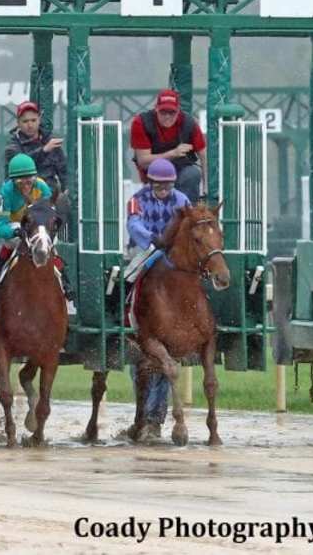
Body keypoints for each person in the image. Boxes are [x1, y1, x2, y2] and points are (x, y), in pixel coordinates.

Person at [122, 157, 191, 435]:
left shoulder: (182, 199)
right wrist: (153, 238)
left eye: (167, 186)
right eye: (159, 186)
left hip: (172, 254)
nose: (163, 191)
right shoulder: (136, 200)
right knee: (129, 275)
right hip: (145, 250)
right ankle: (126, 310)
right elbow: (134, 226)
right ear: (149, 183)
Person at [0, 153, 75, 320]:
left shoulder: (42, 187)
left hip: (37, 230)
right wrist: (15, 232)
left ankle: (66, 287)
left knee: (47, 242)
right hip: (16, 230)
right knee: (12, 238)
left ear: (35, 178)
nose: (25, 185)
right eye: (20, 182)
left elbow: (49, 215)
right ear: (12, 181)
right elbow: (0, 226)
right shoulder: (6, 191)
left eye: (29, 181)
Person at [130, 89, 207, 203]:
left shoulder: (189, 123)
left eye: (172, 112)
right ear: (156, 109)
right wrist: (173, 153)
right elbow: (143, 161)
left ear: (178, 111)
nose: (167, 116)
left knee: (193, 174)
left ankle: (186, 215)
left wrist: (206, 188)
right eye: (163, 112)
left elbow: (204, 155)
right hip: (153, 175)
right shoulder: (141, 123)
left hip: (182, 173)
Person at [4, 100, 67, 194]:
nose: (30, 125)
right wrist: (44, 151)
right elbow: (21, 165)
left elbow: (64, 171)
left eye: (33, 120)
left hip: (49, 196)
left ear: (39, 119)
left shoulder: (51, 142)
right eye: (25, 121)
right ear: (18, 123)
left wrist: (66, 190)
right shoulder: (12, 145)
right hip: (22, 198)